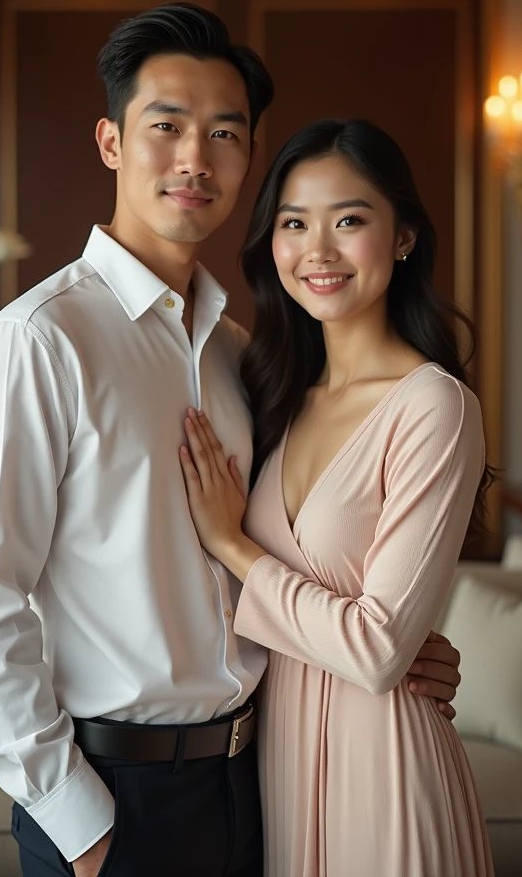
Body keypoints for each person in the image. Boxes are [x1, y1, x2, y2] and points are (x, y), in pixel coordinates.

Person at [0, 6, 464, 877]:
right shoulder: (40, 342)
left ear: (248, 157)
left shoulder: (239, 356)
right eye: (166, 127)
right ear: (110, 141)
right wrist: (79, 823)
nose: (195, 157)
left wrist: (402, 649)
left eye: (224, 132)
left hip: (259, 782)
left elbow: (295, 560)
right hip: (118, 799)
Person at [179, 118, 494, 876]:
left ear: (404, 236)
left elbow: (381, 650)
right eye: (294, 223)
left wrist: (234, 546)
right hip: (277, 765)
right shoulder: (270, 388)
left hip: (384, 763)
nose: (317, 251)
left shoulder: (433, 406)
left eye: (349, 220)